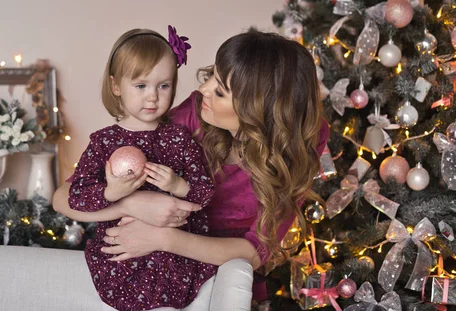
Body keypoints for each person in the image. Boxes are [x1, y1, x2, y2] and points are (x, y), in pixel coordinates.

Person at [54, 29, 329, 305]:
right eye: (212, 76)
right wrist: (130, 204)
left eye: (220, 91)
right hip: (150, 266)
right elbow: (64, 198)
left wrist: (163, 238)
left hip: (221, 278)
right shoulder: (194, 115)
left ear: (256, 110)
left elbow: (255, 250)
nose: (202, 90)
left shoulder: (300, 142)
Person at [67, 27, 218, 311]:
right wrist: (111, 191)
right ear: (116, 86)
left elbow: (206, 193)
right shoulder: (104, 142)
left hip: (174, 257)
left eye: (164, 85)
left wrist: (178, 186)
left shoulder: (179, 138)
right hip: (124, 256)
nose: (153, 97)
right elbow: (77, 196)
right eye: (141, 86)